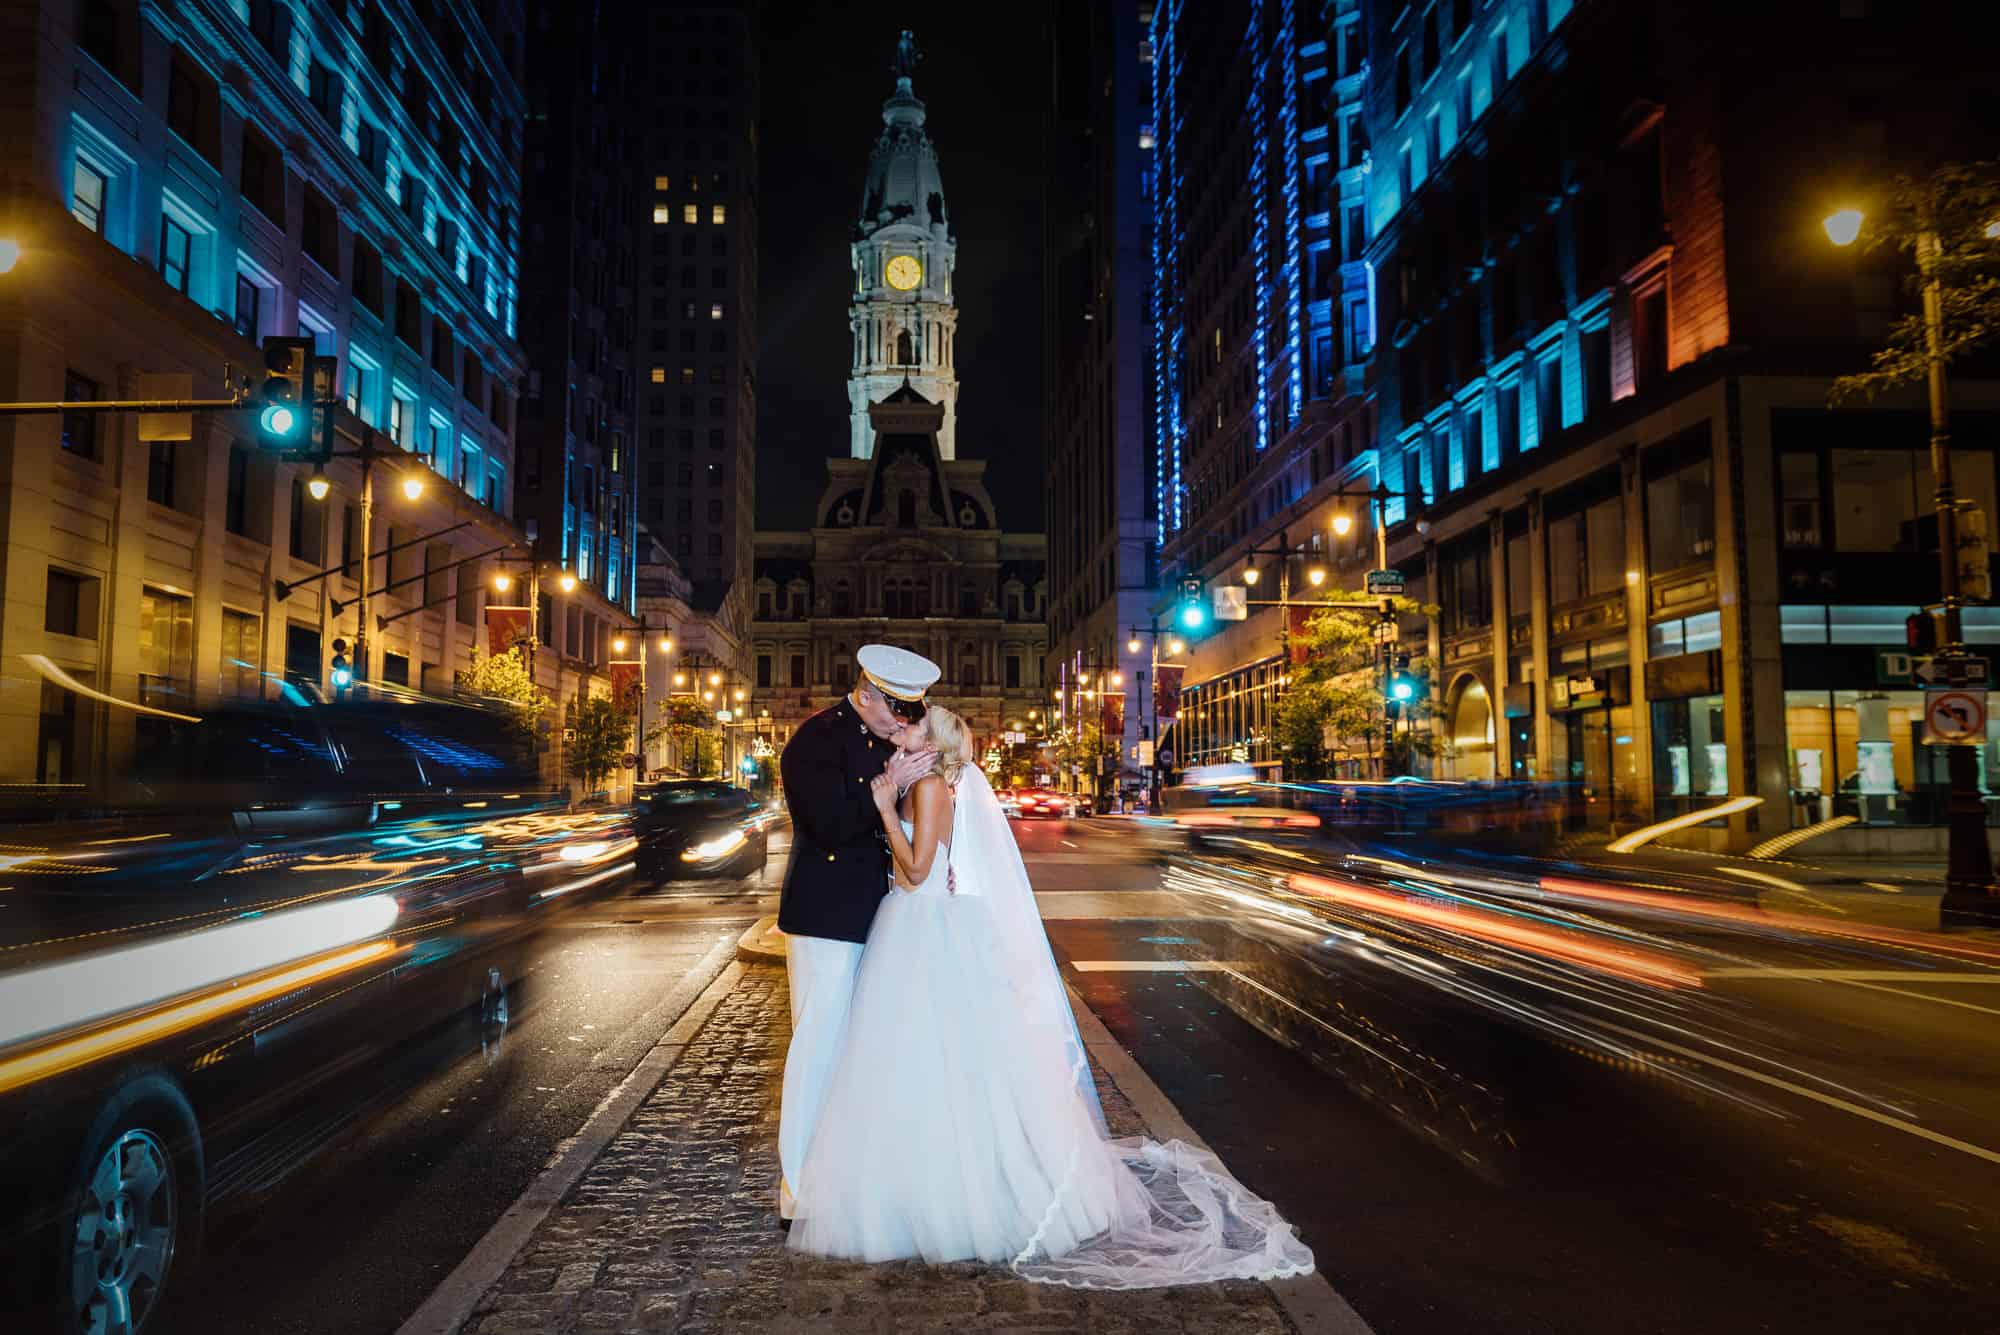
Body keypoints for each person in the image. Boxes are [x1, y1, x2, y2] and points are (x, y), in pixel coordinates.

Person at [789, 706, 1315, 1289]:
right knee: (926, 1066)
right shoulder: (928, 783)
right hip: (918, 929)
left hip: (922, 927)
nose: (903, 728)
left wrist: (886, 809)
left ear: (930, 746)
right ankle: (925, 1188)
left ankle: (954, 1199)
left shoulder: (931, 787)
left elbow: (914, 872)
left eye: (915, 726)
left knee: (931, 1065)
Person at [774, 643, 940, 1226]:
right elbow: (825, 828)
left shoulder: (884, 738)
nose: (905, 723)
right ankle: (797, 1184)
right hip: (826, 916)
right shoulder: (816, 740)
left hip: (880, 915)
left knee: (860, 1052)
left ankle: (846, 1173)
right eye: (896, 711)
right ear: (865, 694)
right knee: (817, 1046)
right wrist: (889, 791)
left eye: (911, 714)